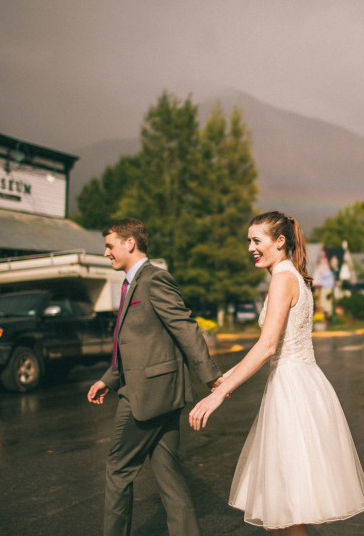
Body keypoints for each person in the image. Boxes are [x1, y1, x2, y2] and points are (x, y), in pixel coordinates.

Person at [189, 211, 364, 535]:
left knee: (285, 512)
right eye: (249, 240)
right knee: (279, 511)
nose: (250, 248)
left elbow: (267, 346)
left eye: (256, 240)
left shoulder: (282, 279)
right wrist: (226, 380)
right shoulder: (295, 276)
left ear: (279, 241)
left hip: (291, 393)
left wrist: (219, 394)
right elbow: (275, 345)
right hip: (301, 384)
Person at [87, 218, 223, 536]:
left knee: (118, 470)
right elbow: (137, 344)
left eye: (110, 245)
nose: (106, 253)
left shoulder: (154, 279)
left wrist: (211, 377)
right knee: (168, 473)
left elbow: (184, 328)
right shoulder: (129, 284)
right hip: (162, 393)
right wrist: (108, 379)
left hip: (145, 396)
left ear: (129, 243)